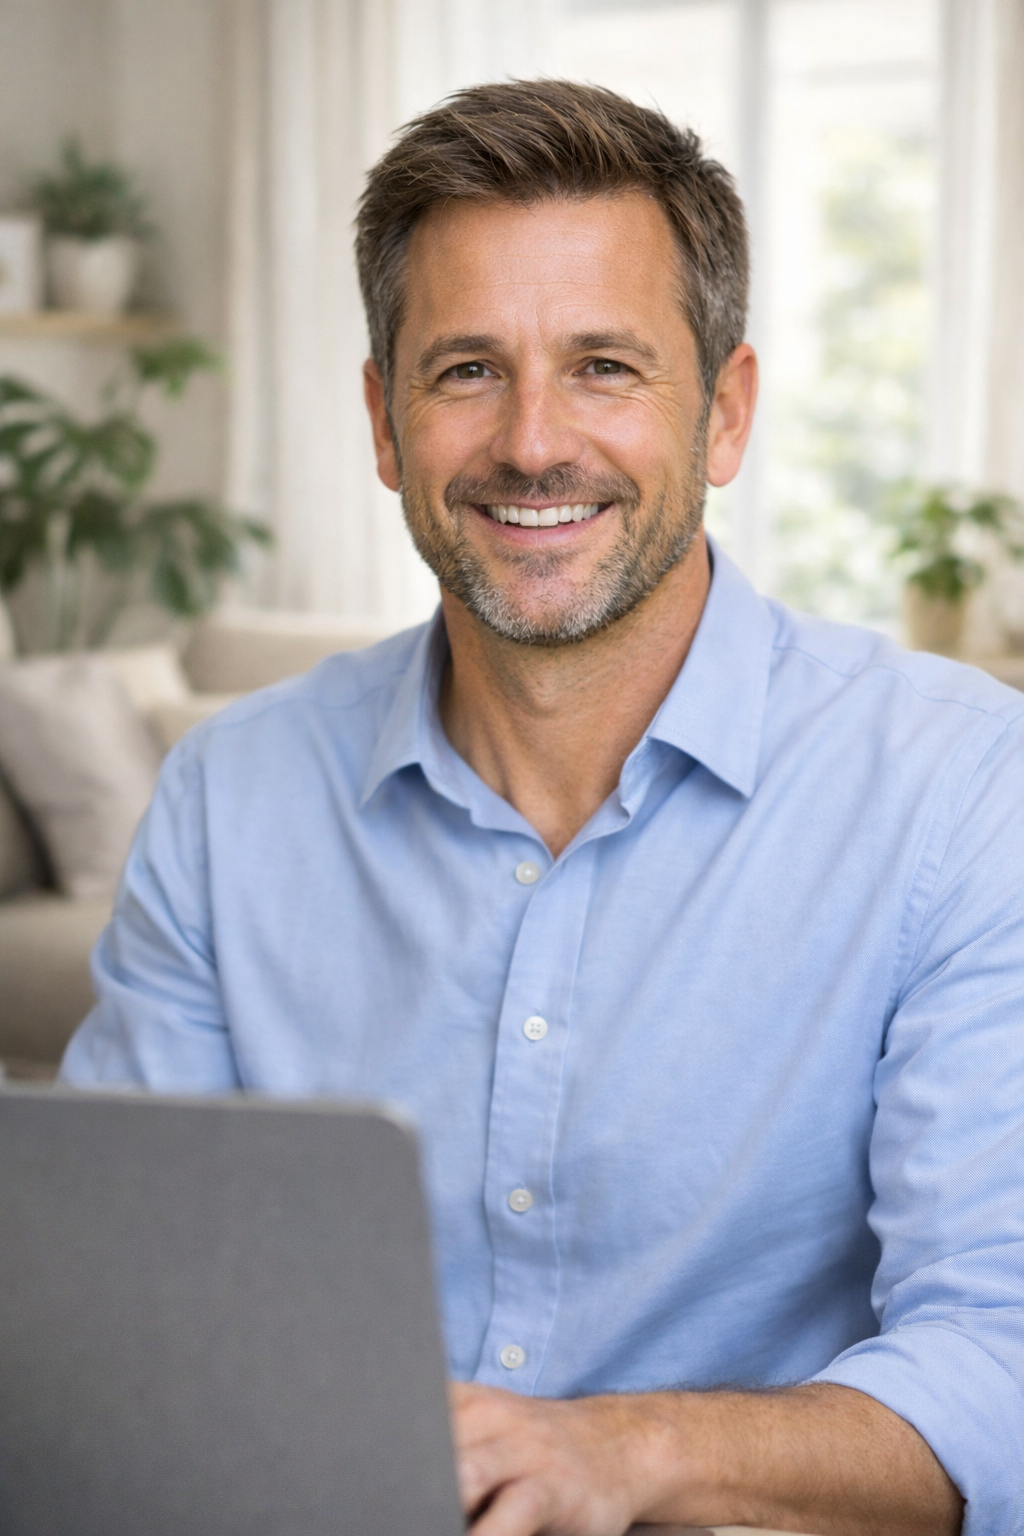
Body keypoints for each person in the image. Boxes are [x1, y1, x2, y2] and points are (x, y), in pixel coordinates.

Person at [61, 81, 1023, 1536]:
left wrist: (620, 1456)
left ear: (727, 412)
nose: (530, 443)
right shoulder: (227, 797)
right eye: (465, 371)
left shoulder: (962, 788)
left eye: (604, 367)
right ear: (384, 422)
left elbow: (1000, 1366)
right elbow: (112, 1310)